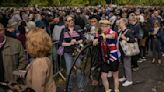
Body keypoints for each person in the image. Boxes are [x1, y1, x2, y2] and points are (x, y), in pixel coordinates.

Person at [93, 20, 120, 92]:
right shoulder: (101, 34)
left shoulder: (112, 32)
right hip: (105, 58)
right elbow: (96, 40)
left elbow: (112, 36)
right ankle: (107, 90)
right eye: (101, 26)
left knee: (115, 76)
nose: (102, 28)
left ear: (108, 27)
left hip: (114, 58)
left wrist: (104, 36)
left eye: (104, 26)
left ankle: (116, 90)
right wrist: (95, 40)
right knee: (103, 76)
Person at [59, 15, 85, 92]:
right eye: (69, 20)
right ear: (66, 22)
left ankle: (80, 87)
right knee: (69, 70)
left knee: (79, 69)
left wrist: (77, 42)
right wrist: (69, 43)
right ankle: (69, 87)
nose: (71, 21)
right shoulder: (63, 30)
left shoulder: (78, 28)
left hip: (77, 51)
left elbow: (83, 39)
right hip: (67, 52)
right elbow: (61, 43)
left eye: (72, 20)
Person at [0, 23, 26, 91]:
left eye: (0, 30)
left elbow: (23, 61)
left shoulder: (16, 43)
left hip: (12, 85)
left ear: (4, 30)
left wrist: (15, 77)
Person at [118, 18, 136, 87]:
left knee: (127, 65)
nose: (118, 23)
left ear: (124, 23)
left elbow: (133, 40)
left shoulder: (128, 31)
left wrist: (125, 38)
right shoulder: (121, 31)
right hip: (122, 51)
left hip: (127, 51)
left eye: (120, 22)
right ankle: (125, 77)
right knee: (123, 65)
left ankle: (129, 80)